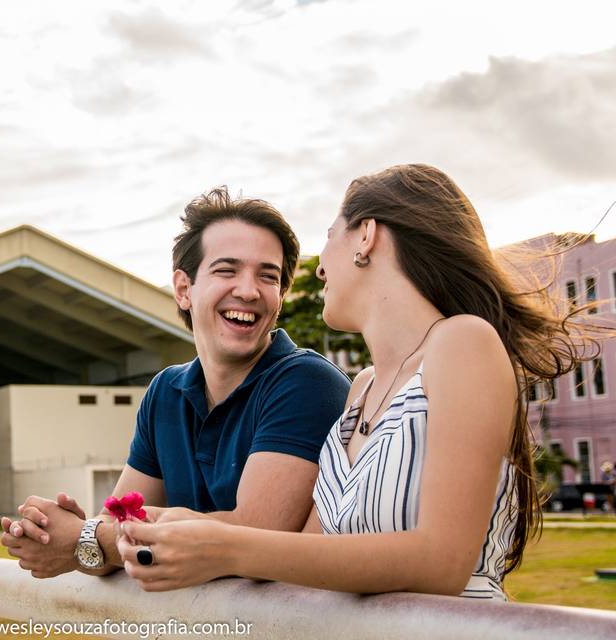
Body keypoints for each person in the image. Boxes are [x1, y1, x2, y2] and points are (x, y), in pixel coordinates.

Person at [117, 164, 600, 600]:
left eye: (330, 237)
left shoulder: (462, 343)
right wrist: (175, 525)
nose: (321, 266)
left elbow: (443, 563)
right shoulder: (363, 388)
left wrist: (224, 545)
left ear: (365, 235)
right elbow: (300, 557)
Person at [0, 187, 351, 578]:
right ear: (184, 289)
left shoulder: (306, 382)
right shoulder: (165, 392)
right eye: (226, 270)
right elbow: (119, 523)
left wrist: (85, 538)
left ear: (280, 296)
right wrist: (56, 534)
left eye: (267, 277)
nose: (249, 291)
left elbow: (257, 536)